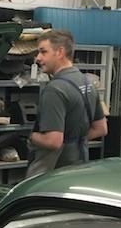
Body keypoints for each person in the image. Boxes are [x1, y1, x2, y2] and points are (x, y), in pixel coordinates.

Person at [27, 30, 108, 176]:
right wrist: (74, 142)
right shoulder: (87, 82)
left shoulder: (55, 89)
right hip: (79, 167)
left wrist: (32, 137)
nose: (37, 58)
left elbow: (53, 141)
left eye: (43, 52)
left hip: (52, 174)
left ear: (60, 52)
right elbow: (100, 129)